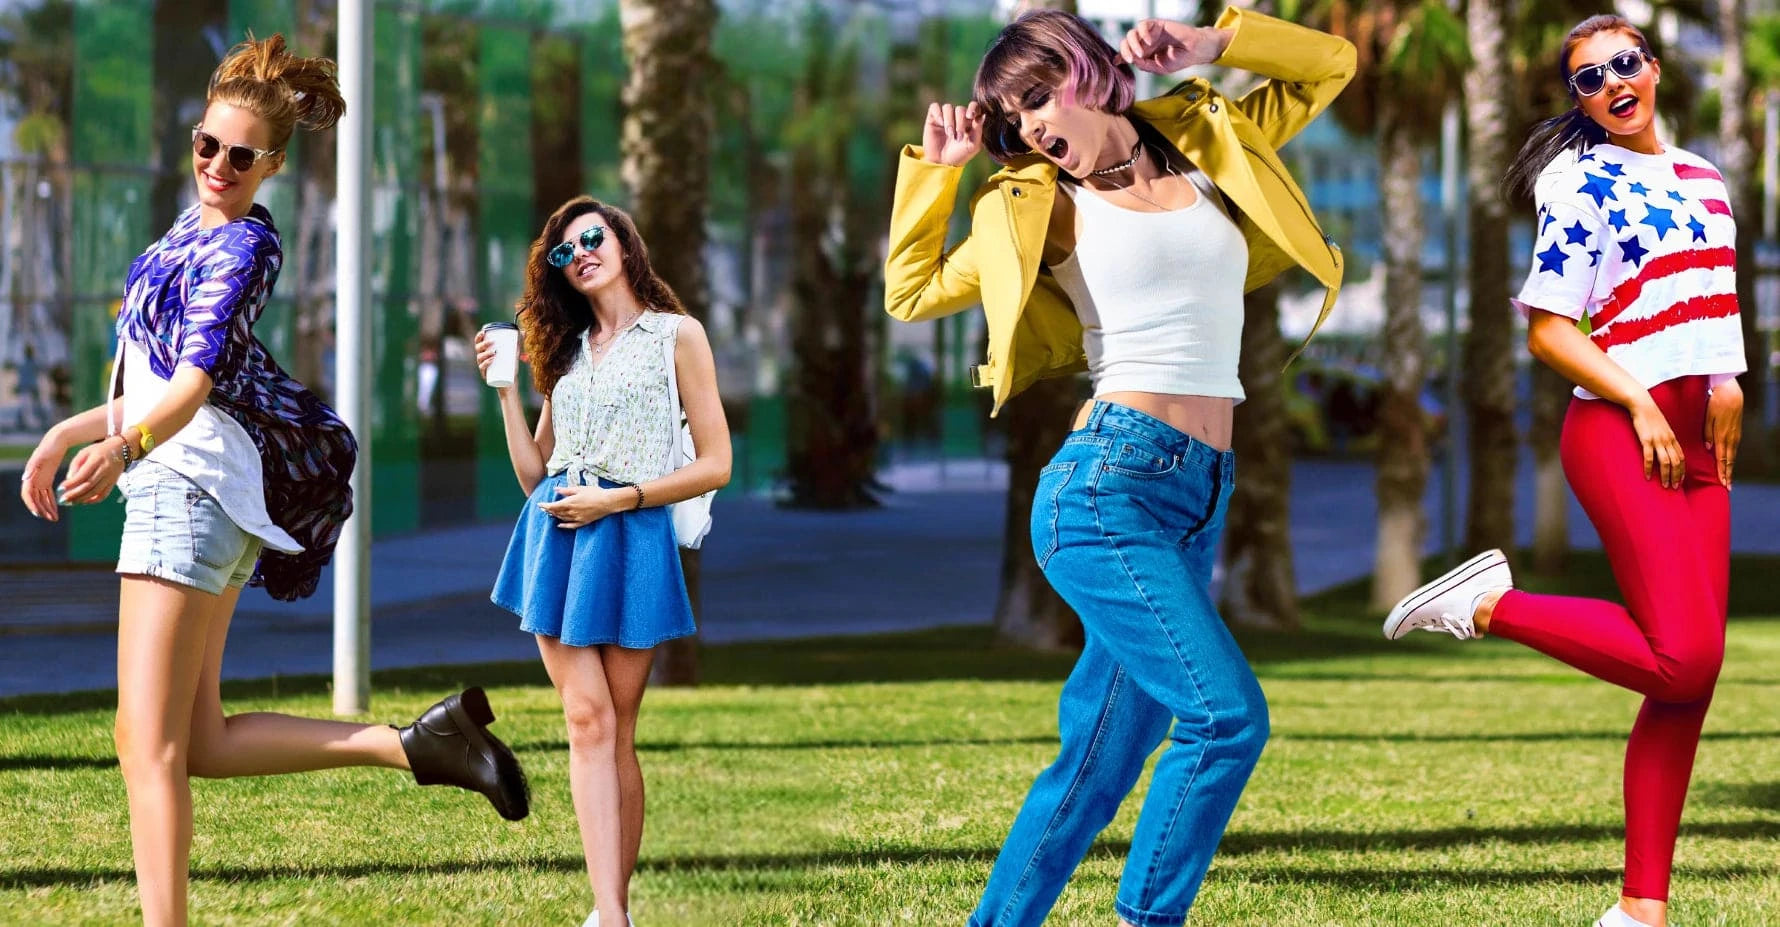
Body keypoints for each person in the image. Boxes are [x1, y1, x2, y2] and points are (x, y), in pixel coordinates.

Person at [16, 35, 529, 927]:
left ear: (274, 165)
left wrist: (126, 447)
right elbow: (151, 369)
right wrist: (67, 430)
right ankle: (416, 744)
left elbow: (192, 384)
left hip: (185, 488)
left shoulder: (242, 248)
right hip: (201, 487)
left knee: (148, 746)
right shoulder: (195, 226)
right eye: (205, 145)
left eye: (239, 154)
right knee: (199, 741)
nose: (217, 164)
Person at [884, 8, 1351, 925]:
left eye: (1034, 97)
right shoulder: (1031, 206)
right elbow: (911, 291)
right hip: (1105, 489)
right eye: (1011, 121)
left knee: (1097, 763)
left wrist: (1216, 44)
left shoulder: (1208, 132)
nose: (1029, 128)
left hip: (1197, 492)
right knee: (1226, 718)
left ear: (1085, 69)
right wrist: (936, 177)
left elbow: (1331, 64)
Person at [1383, 15, 1744, 927]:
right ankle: (1486, 603)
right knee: (1684, 653)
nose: (1614, 82)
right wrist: (1640, 400)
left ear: (1654, 69)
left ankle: (1640, 908)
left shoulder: (1705, 176)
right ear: (1578, 97)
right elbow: (1549, 327)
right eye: (1590, 77)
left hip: (1706, 437)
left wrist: (1731, 377)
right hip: (1627, 432)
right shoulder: (1577, 181)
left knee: (1690, 682)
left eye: (1626, 63)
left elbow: (1711, 299)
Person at [476, 196, 731, 927]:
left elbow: (717, 462)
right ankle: (611, 914)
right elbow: (536, 475)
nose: (581, 252)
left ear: (624, 243)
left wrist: (619, 502)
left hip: (632, 535)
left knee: (617, 724)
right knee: (586, 717)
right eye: (565, 251)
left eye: (593, 238)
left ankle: (609, 909)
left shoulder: (678, 336)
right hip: (556, 538)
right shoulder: (566, 351)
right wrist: (504, 393)